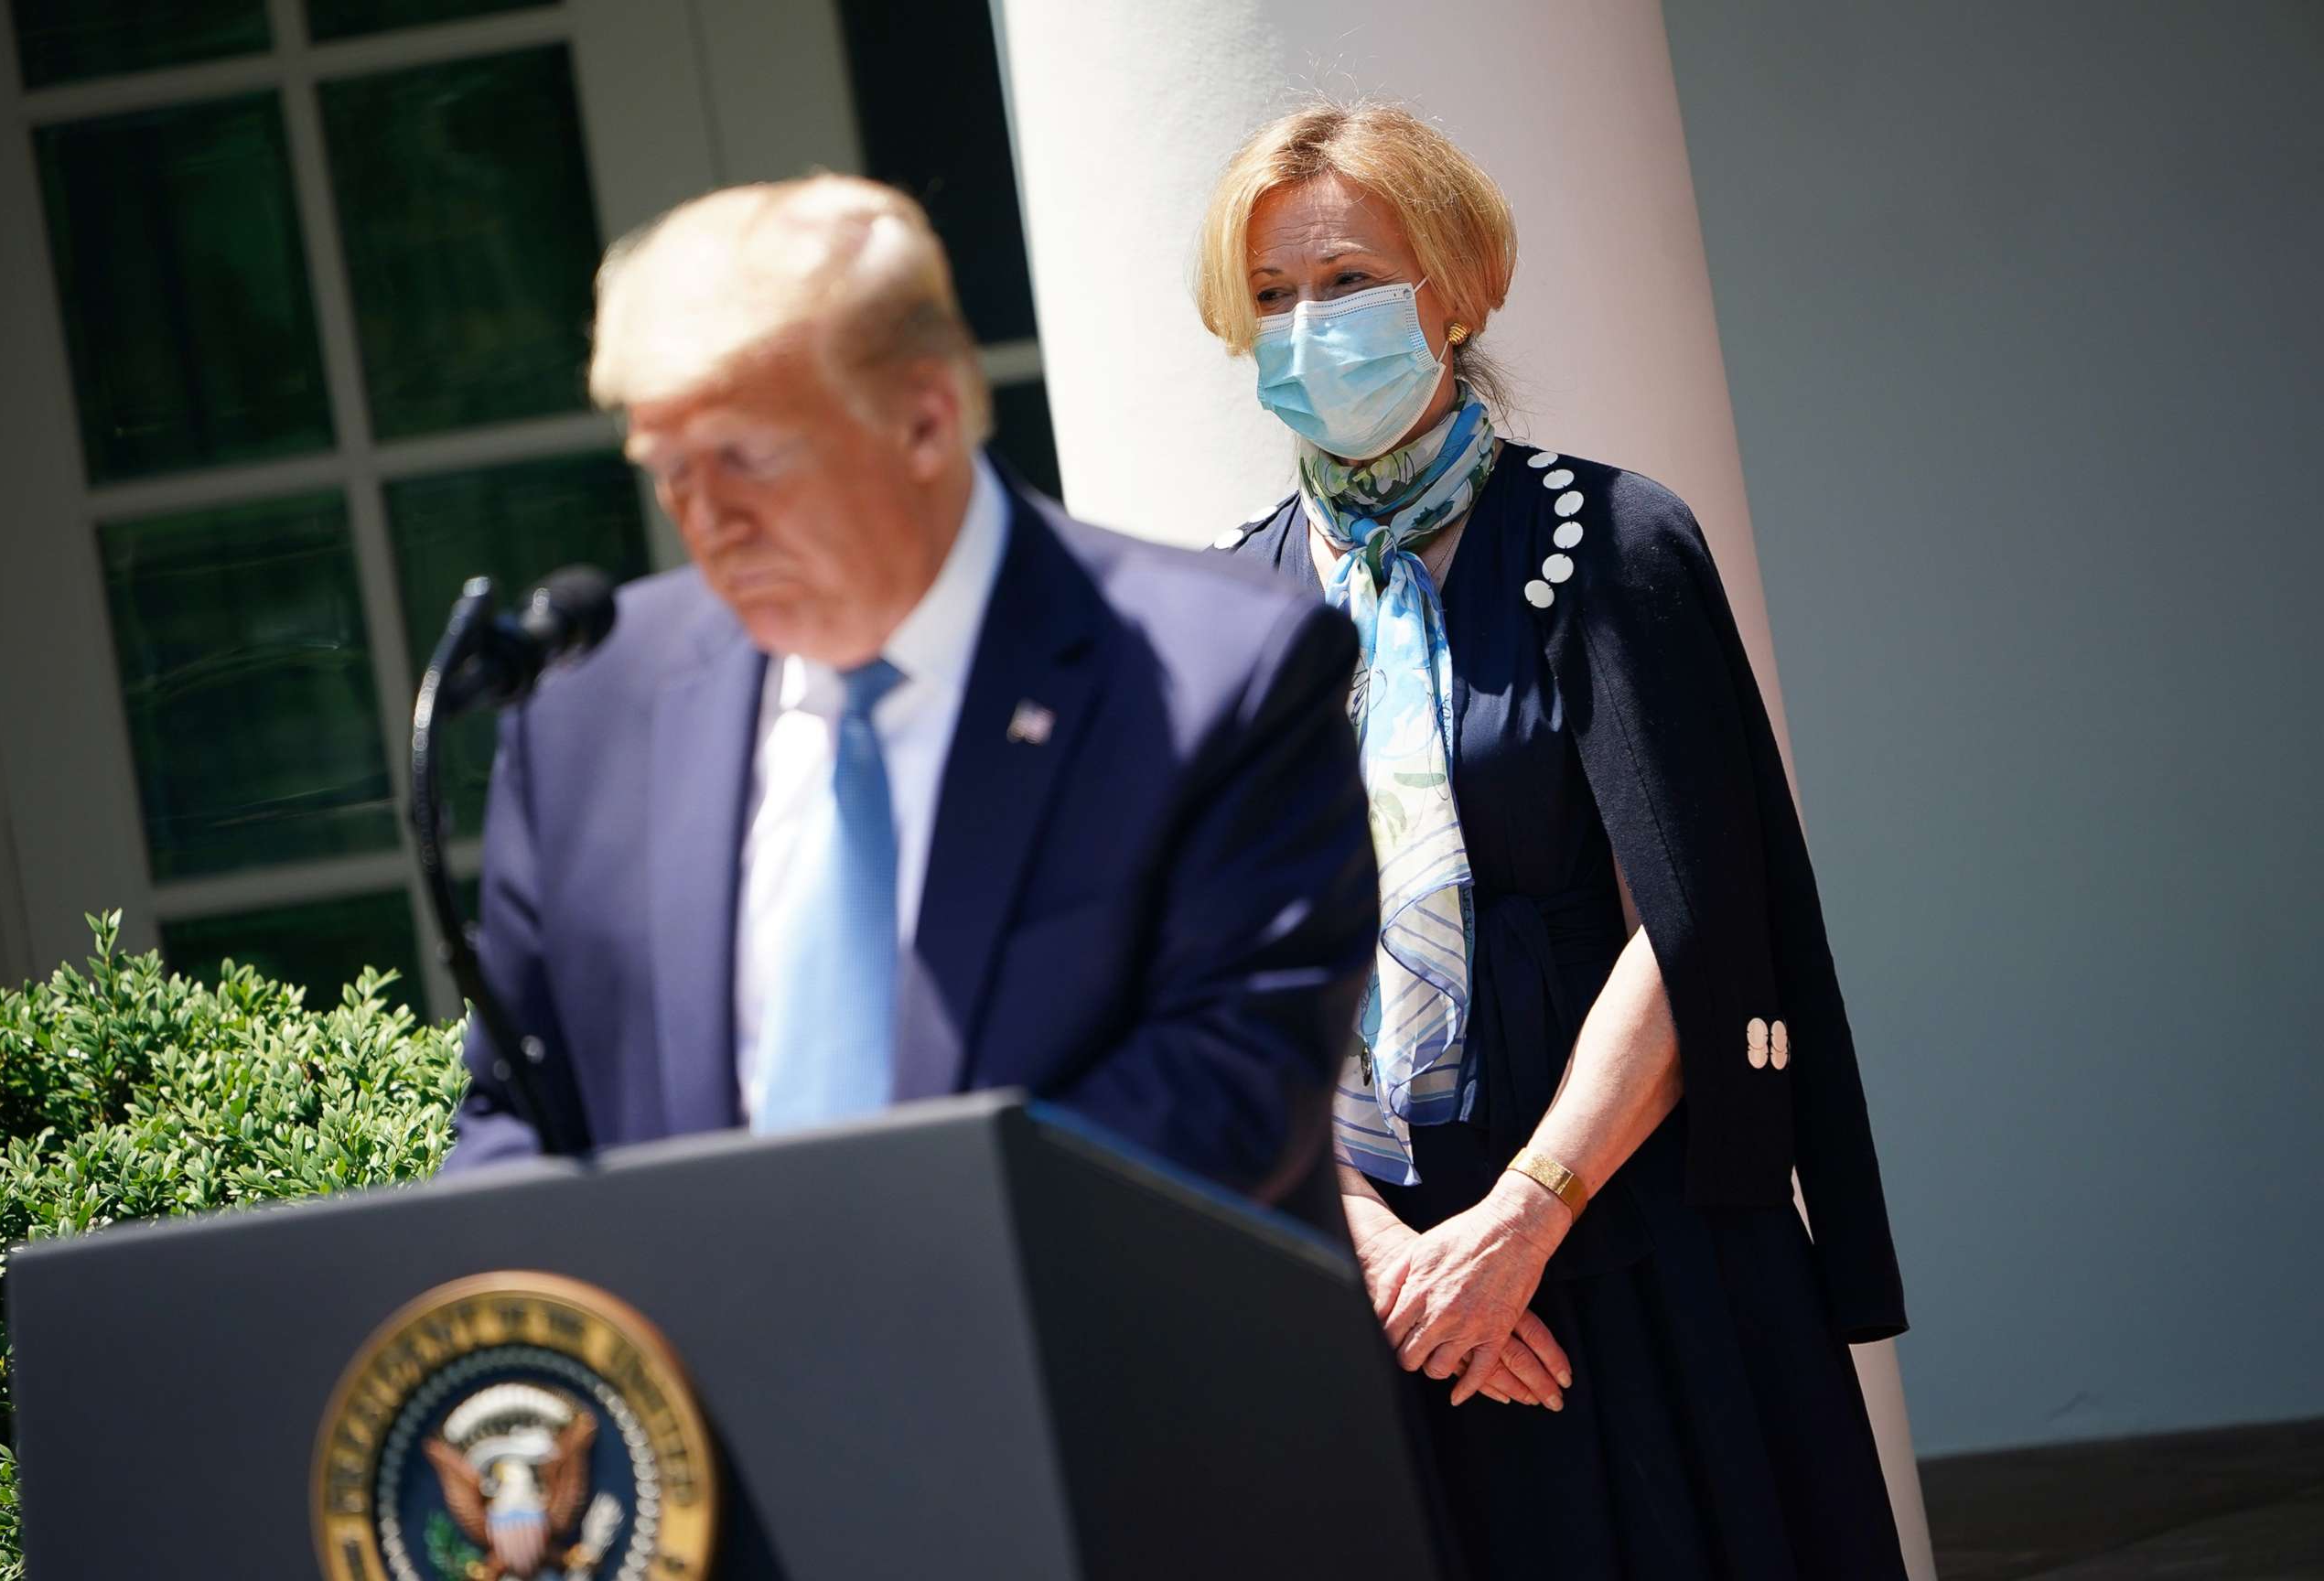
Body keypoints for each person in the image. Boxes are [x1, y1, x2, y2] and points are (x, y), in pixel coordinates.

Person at [1198, 103, 1910, 1576]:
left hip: (1637, 1265)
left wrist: (1516, 1229)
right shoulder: (1218, 618)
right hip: (1380, 1307)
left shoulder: (1614, 541)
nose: (1310, 327)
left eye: (1347, 282)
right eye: (1274, 297)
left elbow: (1697, 927)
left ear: (1452, 291)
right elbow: (1218, 995)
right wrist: (1395, 1265)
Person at [442, 176, 1378, 1227]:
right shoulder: (586, 707)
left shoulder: (1218, 675)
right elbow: (516, 1117)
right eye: (667, 468)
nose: (705, 522)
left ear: (926, 419)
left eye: (745, 459)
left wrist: (854, 1281)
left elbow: (1229, 1091)